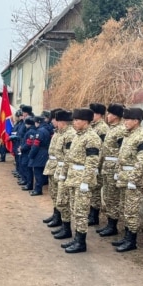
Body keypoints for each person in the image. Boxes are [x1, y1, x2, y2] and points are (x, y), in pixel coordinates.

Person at [59, 108, 101, 254]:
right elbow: (69, 157)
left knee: (81, 211)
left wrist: (86, 182)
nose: (75, 123)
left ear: (86, 122)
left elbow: (92, 162)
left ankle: (81, 242)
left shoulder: (92, 138)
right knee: (74, 209)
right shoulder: (77, 136)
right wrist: (64, 174)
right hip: (73, 177)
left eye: (78, 120)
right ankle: (77, 238)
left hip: (82, 179)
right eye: (74, 120)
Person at [112, 107, 143, 252]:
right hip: (124, 177)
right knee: (124, 208)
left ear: (136, 121)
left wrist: (133, 180)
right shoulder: (129, 135)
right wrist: (118, 172)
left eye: (128, 119)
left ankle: (131, 241)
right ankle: (126, 236)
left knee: (131, 211)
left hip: (133, 181)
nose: (125, 122)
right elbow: (122, 157)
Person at [96, 103, 127, 237]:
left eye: (109, 114)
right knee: (108, 196)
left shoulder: (120, 130)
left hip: (113, 168)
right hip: (107, 168)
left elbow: (122, 151)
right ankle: (109, 223)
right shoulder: (111, 129)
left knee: (113, 198)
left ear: (116, 116)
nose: (107, 116)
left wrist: (118, 171)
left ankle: (112, 225)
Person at [51, 112, 77, 237]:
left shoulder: (70, 134)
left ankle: (66, 229)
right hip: (60, 167)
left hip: (65, 170)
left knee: (64, 200)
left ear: (62, 122)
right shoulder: (62, 133)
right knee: (59, 198)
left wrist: (64, 172)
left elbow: (68, 156)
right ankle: (63, 225)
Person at [42, 109, 66, 225]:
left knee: (60, 195)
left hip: (59, 166)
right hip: (52, 165)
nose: (52, 121)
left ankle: (60, 218)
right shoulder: (57, 132)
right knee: (53, 193)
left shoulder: (67, 134)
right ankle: (55, 214)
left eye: (54, 119)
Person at [88, 102, 110, 226]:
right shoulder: (93, 126)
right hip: (93, 163)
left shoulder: (102, 128)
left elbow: (102, 149)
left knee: (96, 190)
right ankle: (91, 213)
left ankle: (94, 216)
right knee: (92, 189)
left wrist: (97, 165)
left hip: (99, 164)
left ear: (100, 115)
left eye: (94, 113)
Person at [28, 114, 51, 196]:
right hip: (44, 152)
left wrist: (31, 155)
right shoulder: (45, 129)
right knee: (40, 172)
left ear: (38, 122)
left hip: (40, 153)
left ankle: (38, 190)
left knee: (38, 172)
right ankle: (38, 188)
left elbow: (36, 145)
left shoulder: (40, 131)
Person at [18, 116, 36, 191]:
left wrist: (22, 148)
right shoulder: (30, 131)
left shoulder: (30, 132)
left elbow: (29, 143)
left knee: (27, 168)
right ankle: (27, 182)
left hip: (27, 152)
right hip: (26, 152)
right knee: (26, 167)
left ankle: (29, 184)